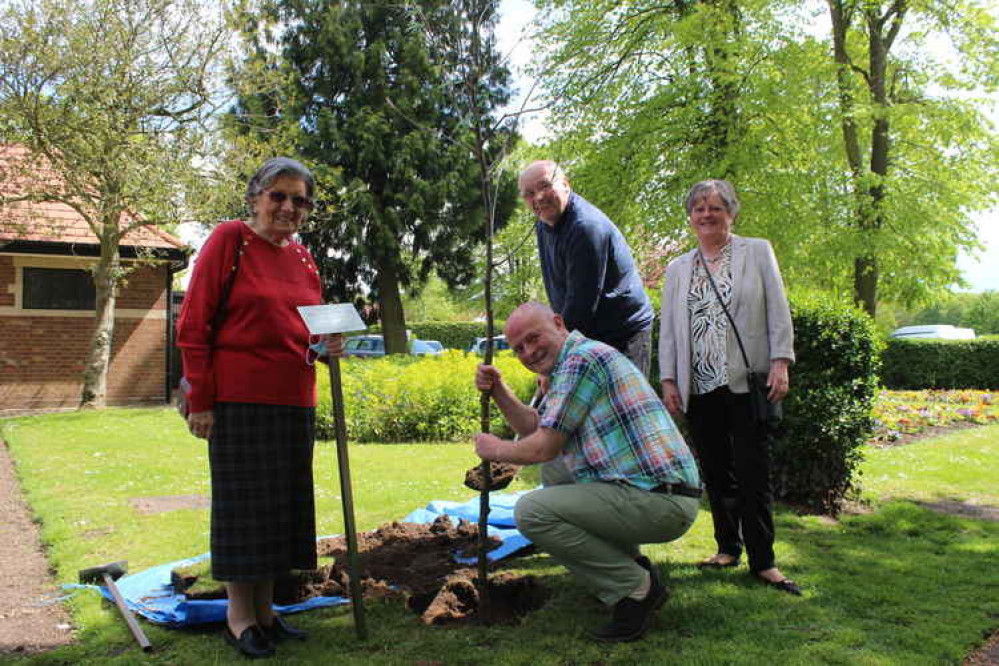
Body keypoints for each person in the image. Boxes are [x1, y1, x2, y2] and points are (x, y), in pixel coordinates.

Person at [176, 157, 344, 658]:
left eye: (299, 200)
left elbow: (303, 331)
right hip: (238, 400)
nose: (289, 207)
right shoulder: (230, 240)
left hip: (293, 400)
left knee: (280, 510)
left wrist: (325, 345)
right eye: (279, 196)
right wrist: (201, 400)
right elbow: (193, 324)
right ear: (255, 198)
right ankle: (240, 617)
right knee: (244, 511)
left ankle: (269, 613)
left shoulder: (303, 259)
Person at [474, 302, 701, 642]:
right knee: (558, 478)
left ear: (558, 323)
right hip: (653, 494)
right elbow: (537, 426)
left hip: (660, 499)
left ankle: (637, 588)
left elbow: (543, 447)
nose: (529, 352)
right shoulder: (571, 364)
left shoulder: (583, 360)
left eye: (534, 338)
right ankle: (633, 568)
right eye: (518, 348)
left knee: (531, 512)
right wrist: (498, 391)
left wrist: (496, 450)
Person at [658, 179, 800, 596]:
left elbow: (778, 308)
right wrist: (669, 379)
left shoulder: (757, 252)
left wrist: (781, 361)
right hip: (699, 385)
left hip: (746, 380)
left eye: (715, 207)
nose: (706, 214)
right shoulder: (678, 267)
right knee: (717, 472)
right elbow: (668, 330)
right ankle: (727, 547)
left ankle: (764, 562)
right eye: (699, 208)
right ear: (690, 217)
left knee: (754, 471)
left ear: (731, 213)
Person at [518, 160, 654, 376]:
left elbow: (579, 309)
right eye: (529, 193)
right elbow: (559, 294)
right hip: (588, 331)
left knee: (623, 406)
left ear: (565, 184)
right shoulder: (543, 223)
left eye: (545, 186)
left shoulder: (586, 228)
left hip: (623, 333)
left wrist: (551, 368)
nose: (539, 197)